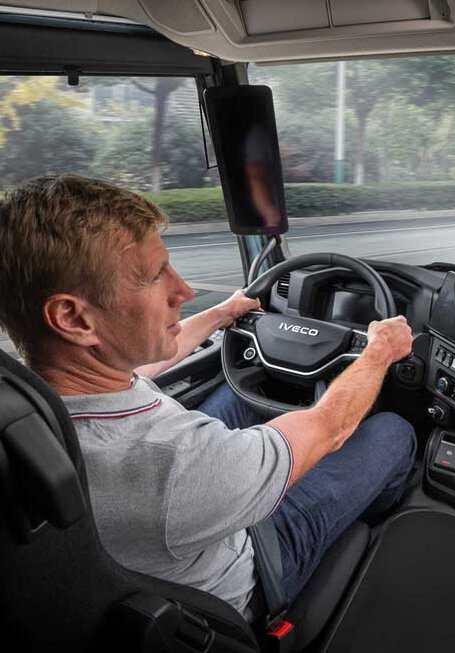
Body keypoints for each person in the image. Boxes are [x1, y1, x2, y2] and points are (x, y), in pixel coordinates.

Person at [0, 175, 416, 621]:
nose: (185, 291)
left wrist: (222, 314)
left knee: (242, 398)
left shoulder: (33, 402)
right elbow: (327, 429)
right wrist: (378, 352)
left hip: (170, 532)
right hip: (256, 566)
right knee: (393, 432)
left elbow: (144, 364)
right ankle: (372, 525)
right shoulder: (173, 465)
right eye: (156, 276)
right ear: (73, 318)